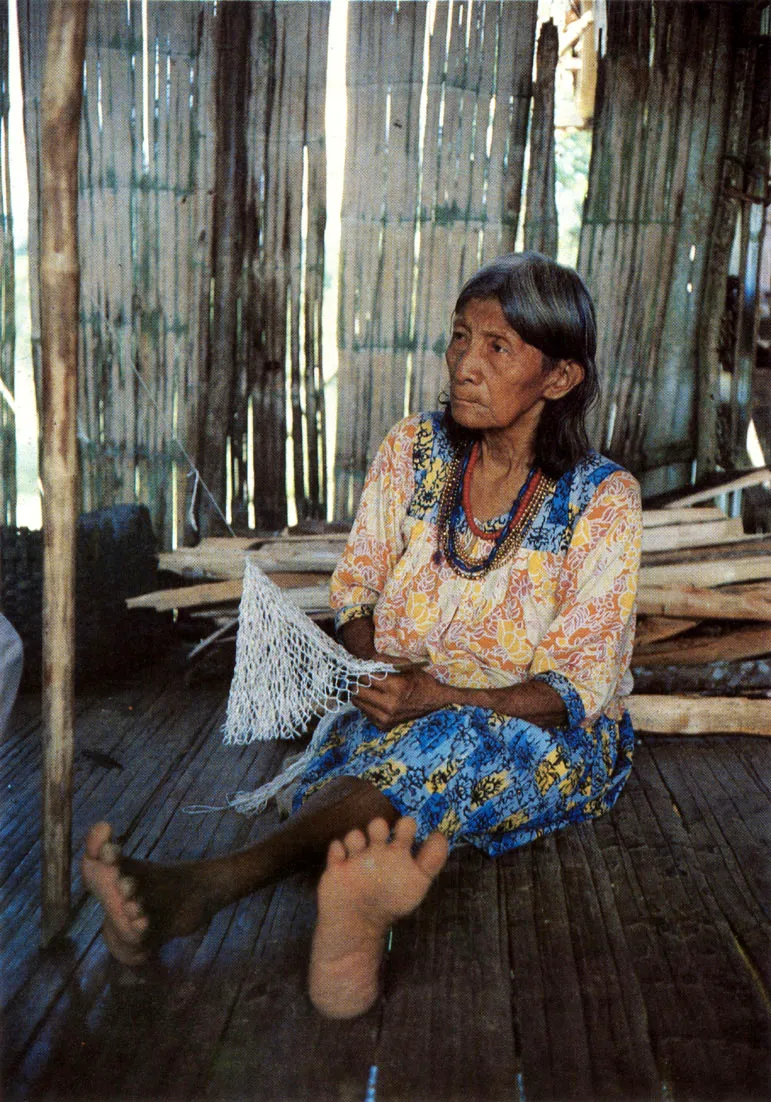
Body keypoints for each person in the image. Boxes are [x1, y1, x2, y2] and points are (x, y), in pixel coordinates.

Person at [83, 251, 642, 1020]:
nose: (463, 365)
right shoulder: (415, 450)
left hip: (545, 737)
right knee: (347, 760)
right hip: (404, 703)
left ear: (559, 378)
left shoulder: (599, 499)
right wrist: (366, 666)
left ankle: (206, 886)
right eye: (458, 337)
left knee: (451, 746)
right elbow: (356, 588)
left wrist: (434, 696)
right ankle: (356, 920)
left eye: (496, 347)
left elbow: (578, 688)